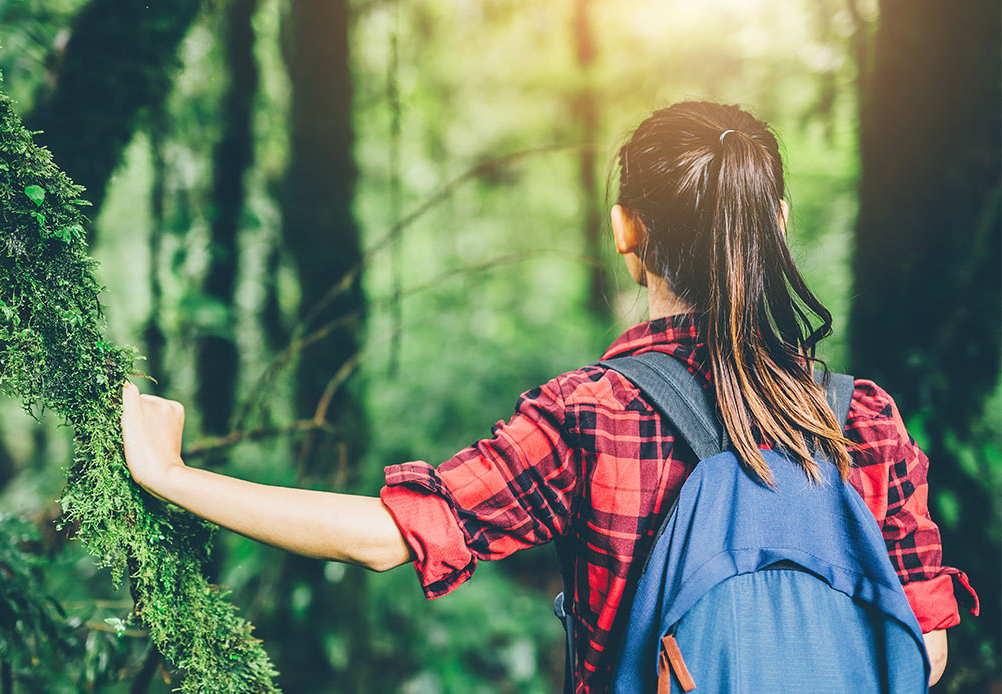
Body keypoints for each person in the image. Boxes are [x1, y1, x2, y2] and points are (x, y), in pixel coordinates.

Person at [120, 101, 977, 692]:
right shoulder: (860, 416)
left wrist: (171, 475)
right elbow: (924, 651)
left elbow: (387, 538)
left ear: (624, 233)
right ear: (777, 223)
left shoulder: (593, 414)